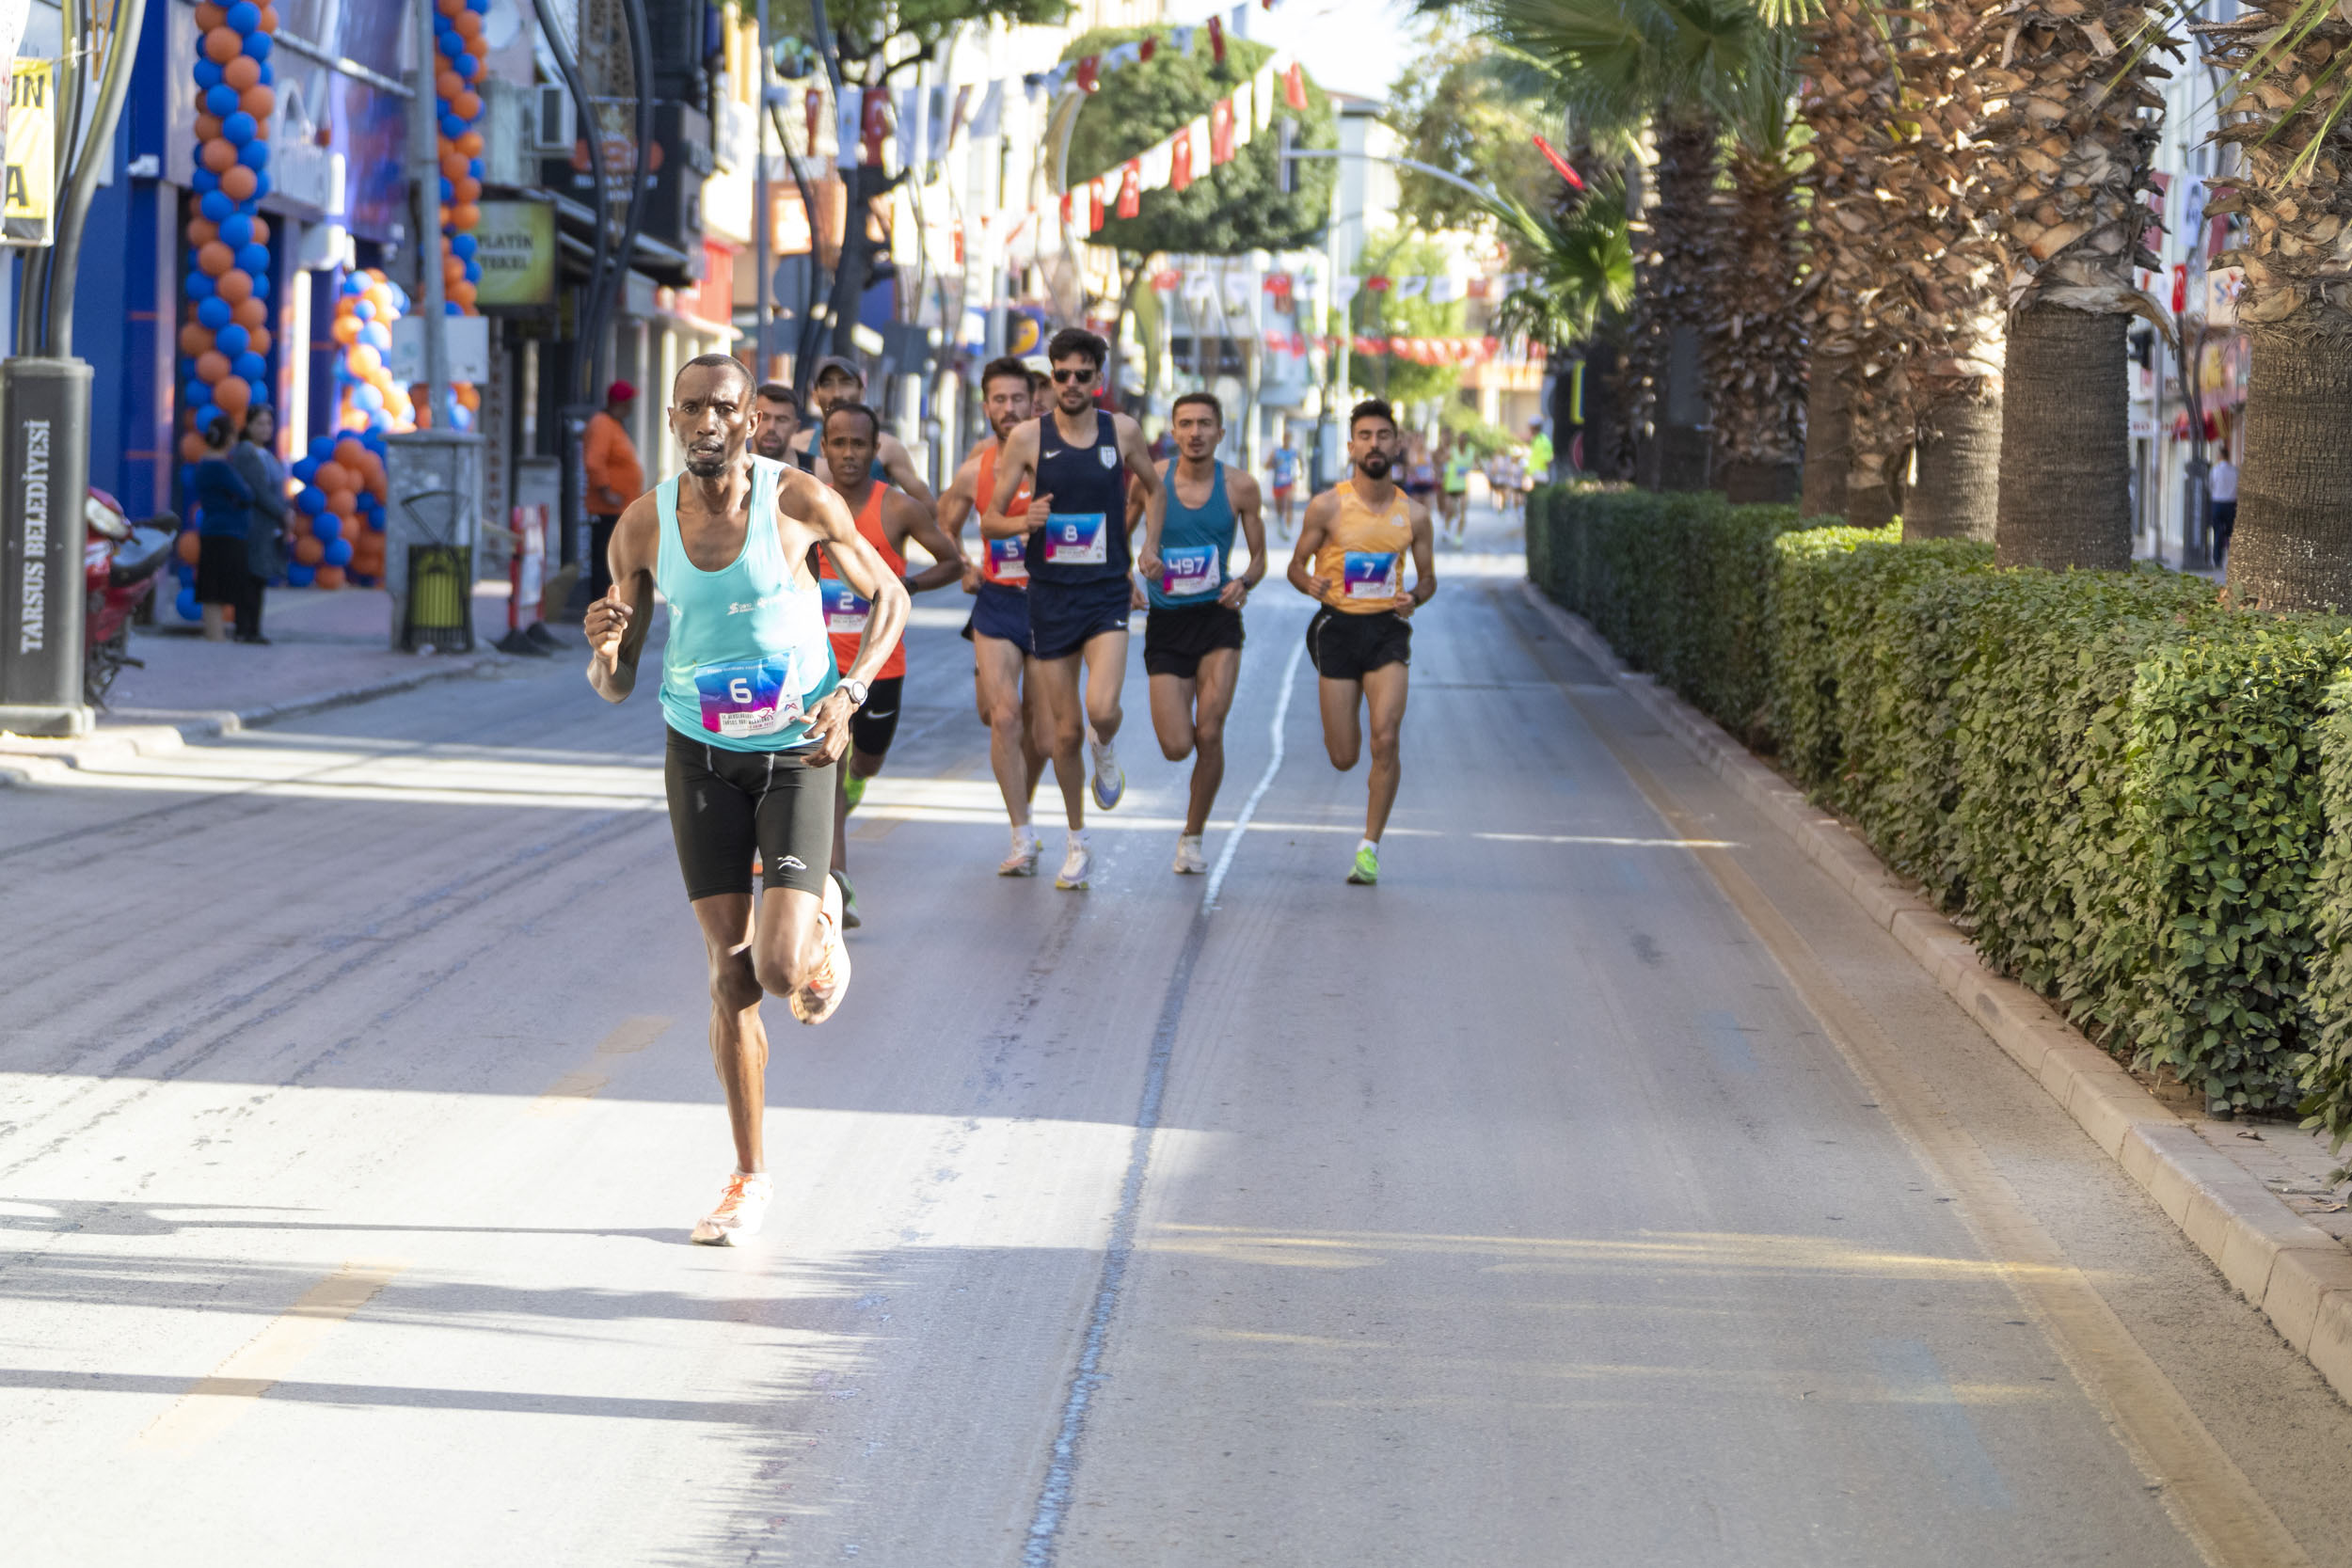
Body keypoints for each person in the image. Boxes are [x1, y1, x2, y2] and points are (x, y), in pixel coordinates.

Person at [582, 353, 909, 1245]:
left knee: (775, 969)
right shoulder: (643, 527)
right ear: (675, 421)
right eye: (691, 408)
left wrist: (850, 691)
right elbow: (615, 683)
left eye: (724, 406)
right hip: (699, 752)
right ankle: (748, 1176)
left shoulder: (797, 501)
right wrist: (604, 648)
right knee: (729, 972)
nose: (707, 422)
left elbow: (889, 594)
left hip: (800, 748)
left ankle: (819, 916)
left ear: (751, 420)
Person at [984, 325, 1164, 890]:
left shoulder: (1123, 431)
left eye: (1082, 375)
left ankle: (1105, 748)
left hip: (1108, 588)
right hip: (1050, 594)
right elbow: (989, 520)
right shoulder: (1028, 440)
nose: (1071, 384)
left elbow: (1154, 490)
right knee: (1061, 735)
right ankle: (1077, 842)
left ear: (1099, 381)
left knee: (1102, 707)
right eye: (1061, 375)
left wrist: (1150, 547)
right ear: (1051, 381)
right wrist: (1022, 521)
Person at [816, 401, 967, 927]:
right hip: (821, 668)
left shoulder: (898, 508)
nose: (849, 453)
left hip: (882, 663)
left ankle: (861, 776)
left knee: (866, 763)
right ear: (825, 448)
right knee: (828, 773)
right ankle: (838, 886)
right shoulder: (806, 505)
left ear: (875, 449)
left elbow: (952, 561)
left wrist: (908, 585)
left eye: (859, 443)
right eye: (839, 443)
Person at [1288, 398, 1437, 886]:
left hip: (1386, 632)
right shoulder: (1327, 506)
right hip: (1336, 629)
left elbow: (1429, 579)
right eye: (1366, 436)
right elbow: (1295, 565)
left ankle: (1369, 848)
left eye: (1384, 435)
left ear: (1398, 443)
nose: (1375, 444)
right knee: (1344, 755)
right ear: (1352, 445)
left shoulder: (1413, 514)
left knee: (1386, 738)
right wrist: (1306, 582)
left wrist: (1413, 596)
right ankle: (1345, 725)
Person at [1136, 392, 1265, 874]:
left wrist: (1243, 582)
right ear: (1173, 431)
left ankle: (1191, 838)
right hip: (1166, 622)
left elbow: (1259, 559)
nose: (1195, 432)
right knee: (1177, 746)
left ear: (1220, 432)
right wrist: (1133, 571)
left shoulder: (1240, 487)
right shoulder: (1152, 482)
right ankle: (1191, 824)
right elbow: (1121, 536)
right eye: (1186, 423)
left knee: (1209, 731)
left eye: (1205, 424)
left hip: (1217, 619)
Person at [937, 355, 1050, 875]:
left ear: (1034, 403)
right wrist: (962, 563)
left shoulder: (1055, 459)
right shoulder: (975, 469)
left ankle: (1022, 811)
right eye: (998, 399)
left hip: (1053, 604)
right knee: (1000, 715)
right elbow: (942, 525)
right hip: (999, 600)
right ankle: (1021, 834)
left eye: (1017, 399)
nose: (1008, 408)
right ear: (986, 405)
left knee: (1044, 732)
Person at [789, 356, 937, 508]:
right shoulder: (798, 445)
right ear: (815, 395)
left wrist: (895, 524)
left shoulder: (888, 448)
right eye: (827, 384)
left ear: (862, 391)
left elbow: (928, 507)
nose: (837, 394)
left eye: (846, 383)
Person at [189, 412, 258, 644]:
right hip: (229, 531)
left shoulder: (202, 465)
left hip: (209, 529)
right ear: (228, 438)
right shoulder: (222, 467)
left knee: (209, 586)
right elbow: (246, 494)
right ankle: (222, 636)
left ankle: (213, 634)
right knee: (230, 585)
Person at [230, 404, 291, 643]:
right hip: (254, 523)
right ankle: (245, 628)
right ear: (249, 425)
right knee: (251, 575)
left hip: (269, 525)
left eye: (269, 424)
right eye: (260, 424)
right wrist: (282, 513)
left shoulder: (267, 454)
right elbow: (260, 491)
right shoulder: (246, 452)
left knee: (260, 576)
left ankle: (253, 627)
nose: (266, 429)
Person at [584, 380, 644, 603]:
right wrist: (605, 490)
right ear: (621, 403)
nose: (631, 407)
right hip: (608, 511)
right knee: (606, 568)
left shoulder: (614, 425)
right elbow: (593, 461)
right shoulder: (602, 424)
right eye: (629, 402)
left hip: (619, 510)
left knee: (616, 567)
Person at [752, 381, 802, 465]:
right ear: (750, 422)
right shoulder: (730, 470)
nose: (771, 427)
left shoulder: (816, 471)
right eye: (764, 418)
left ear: (796, 427)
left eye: (781, 419)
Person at [1268, 432, 1300, 539]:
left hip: (1289, 483)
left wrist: (1300, 473)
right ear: (1283, 439)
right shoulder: (1276, 452)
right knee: (1279, 508)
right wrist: (1275, 464)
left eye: (1289, 438)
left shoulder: (1293, 452)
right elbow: (1267, 465)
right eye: (1285, 438)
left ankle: (1288, 530)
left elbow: (1301, 462)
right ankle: (1280, 526)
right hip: (1277, 483)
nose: (1287, 440)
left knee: (1288, 505)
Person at [2210, 451, 2238, 565]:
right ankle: (2232, 558)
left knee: (2217, 531)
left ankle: (2217, 559)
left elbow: (2210, 486)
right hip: (2231, 504)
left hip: (2217, 503)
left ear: (2219, 456)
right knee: (2230, 532)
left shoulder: (2215, 471)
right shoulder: (2235, 471)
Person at [1439, 439, 1471, 541]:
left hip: (1462, 488)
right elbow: (1443, 470)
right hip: (1451, 489)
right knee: (1450, 510)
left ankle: (1459, 536)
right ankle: (1446, 528)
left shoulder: (1469, 454)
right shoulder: (1450, 456)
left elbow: (1472, 467)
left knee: (1463, 513)